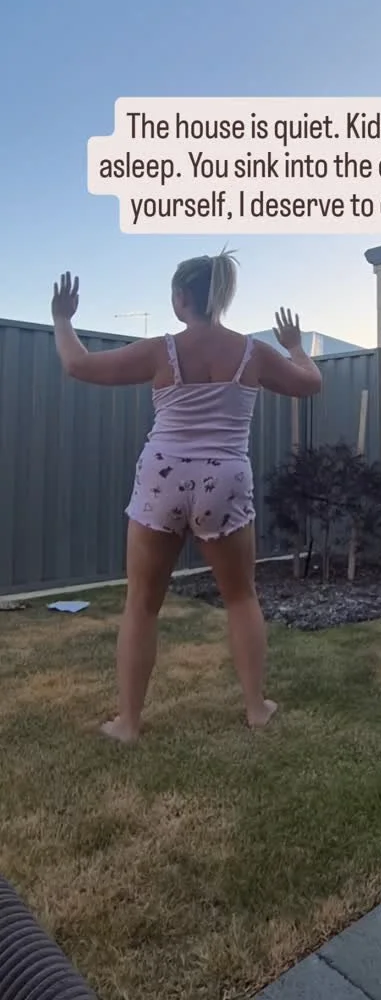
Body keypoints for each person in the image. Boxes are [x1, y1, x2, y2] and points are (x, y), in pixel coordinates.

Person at [51, 250, 322, 742]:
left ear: (181, 298)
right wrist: (294, 347)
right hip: (226, 478)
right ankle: (256, 708)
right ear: (220, 296)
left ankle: (128, 723)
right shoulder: (254, 353)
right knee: (240, 597)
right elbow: (311, 383)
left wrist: (63, 319)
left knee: (142, 603)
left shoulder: (162, 351)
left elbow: (77, 364)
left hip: (164, 475)